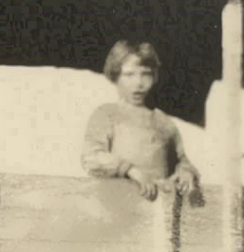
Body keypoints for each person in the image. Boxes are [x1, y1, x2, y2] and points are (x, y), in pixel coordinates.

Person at [82, 41, 200, 200]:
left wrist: (186, 172)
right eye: (129, 74)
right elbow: (91, 158)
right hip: (115, 206)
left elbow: (181, 160)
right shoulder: (107, 114)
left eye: (146, 74)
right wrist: (131, 170)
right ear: (115, 77)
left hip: (156, 211)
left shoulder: (163, 121)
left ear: (155, 76)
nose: (138, 83)